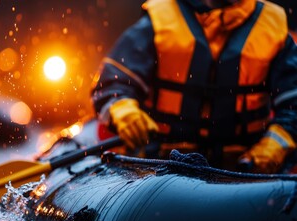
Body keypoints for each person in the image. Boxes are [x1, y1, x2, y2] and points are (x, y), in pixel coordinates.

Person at [91, 0, 297, 173]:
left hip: (244, 175)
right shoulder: (160, 20)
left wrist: (275, 146)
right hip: (160, 170)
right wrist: (123, 109)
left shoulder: (272, 29)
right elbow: (112, 84)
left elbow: (293, 105)